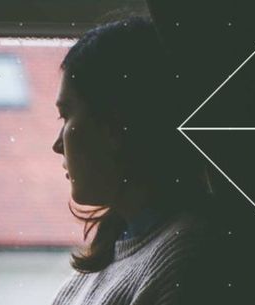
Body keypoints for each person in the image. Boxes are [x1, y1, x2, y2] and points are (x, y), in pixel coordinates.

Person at [49, 16, 221, 305]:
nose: (57, 145)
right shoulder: (97, 270)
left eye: (66, 115)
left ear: (114, 127)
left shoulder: (182, 257)